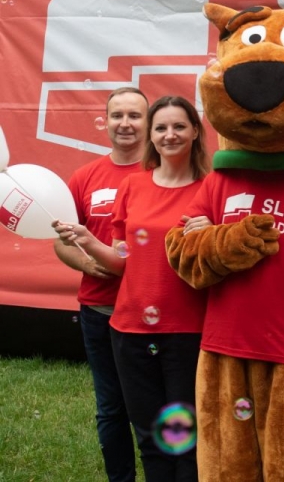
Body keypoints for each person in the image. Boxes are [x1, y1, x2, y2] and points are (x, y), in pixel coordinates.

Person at [54, 95, 211, 482]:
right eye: (161, 127)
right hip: (129, 330)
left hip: (188, 331)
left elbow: (220, 261)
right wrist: (88, 240)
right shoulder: (133, 185)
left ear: (195, 131)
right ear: (151, 136)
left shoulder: (212, 188)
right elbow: (122, 261)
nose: (170, 134)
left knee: (188, 439)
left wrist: (213, 234)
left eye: (179, 126)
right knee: (150, 439)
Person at [53, 86, 148, 482]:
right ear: (105, 122)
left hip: (152, 316)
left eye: (134, 115)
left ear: (149, 123)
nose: (125, 123)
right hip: (99, 312)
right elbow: (62, 241)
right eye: (117, 115)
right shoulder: (84, 177)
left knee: (153, 408)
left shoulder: (165, 174)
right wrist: (87, 264)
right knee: (111, 408)